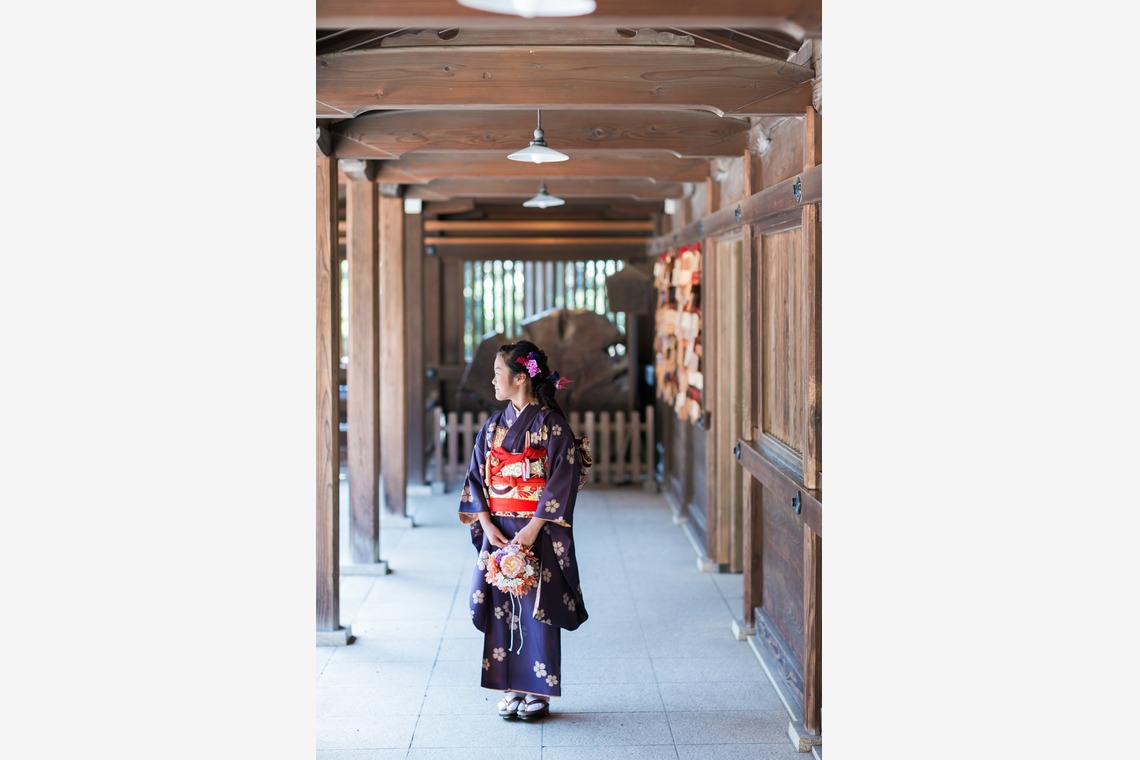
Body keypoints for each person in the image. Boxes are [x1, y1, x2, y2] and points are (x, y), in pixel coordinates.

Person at [458, 340, 588, 721]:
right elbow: (475, 477)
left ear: (519, 378)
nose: (493, 380)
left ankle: (537, 691)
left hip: (537, 531)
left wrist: (533, 528)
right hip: (499, 531)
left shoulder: (551, 425)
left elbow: (564, 476)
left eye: (498, 372)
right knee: (501, 606)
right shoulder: (493, 427)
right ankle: (510, 686)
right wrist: (484, 522)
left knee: (537, 606)